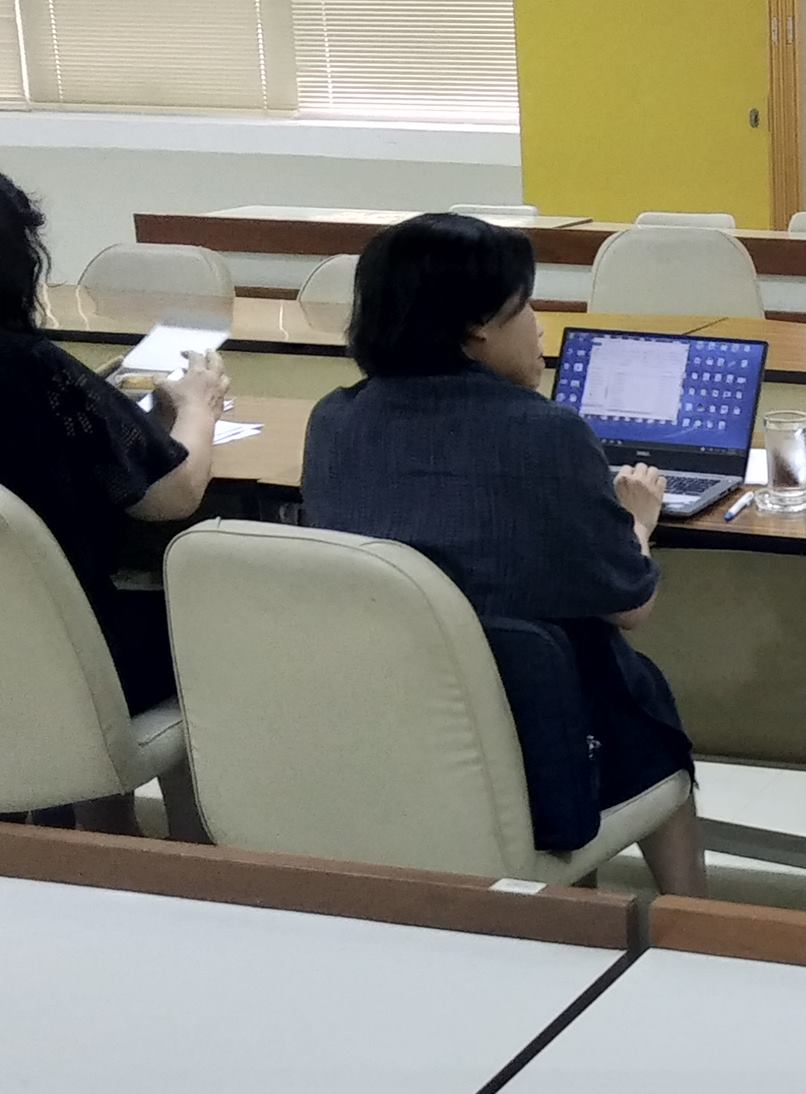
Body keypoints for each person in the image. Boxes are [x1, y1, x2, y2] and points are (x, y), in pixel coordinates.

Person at [301, 213, 708, 895]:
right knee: (641, 700)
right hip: (537, 732)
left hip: (385, 719)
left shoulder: (335, 420)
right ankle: (695, 921)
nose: (541, 328)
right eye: (526, 307)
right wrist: (638, 521)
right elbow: (629, 604)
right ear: (477, 327)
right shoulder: (546, 434)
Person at [0, 173, 226, 718]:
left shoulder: (42, 377)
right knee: (229, 626)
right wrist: (199, 407)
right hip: (64, 660)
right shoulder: (31, 368)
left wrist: (96, 406)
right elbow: (172, 495)